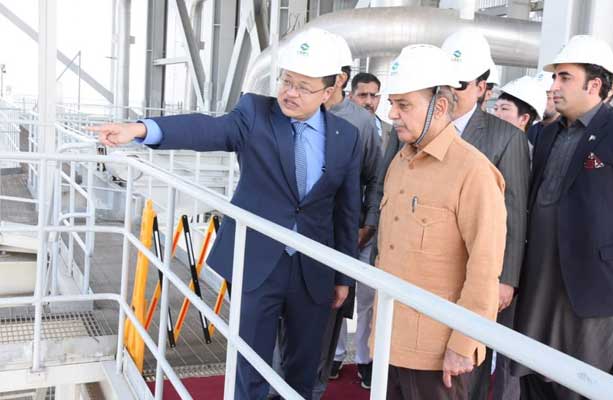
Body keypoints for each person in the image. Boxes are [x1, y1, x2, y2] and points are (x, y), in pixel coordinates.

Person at [90, 27, 362, 400]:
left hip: (312, 272)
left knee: (302, 369)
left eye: (303, 86)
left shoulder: (346, 136)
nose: (289, 92)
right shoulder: (255, 113)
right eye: (286, 80)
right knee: (250, 365)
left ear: (331, 90)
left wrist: (344, 276)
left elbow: (346, 211)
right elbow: (206, 128)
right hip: (257, 264)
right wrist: (141, 129)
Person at [513, 35, 613, 400]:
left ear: (594, 85)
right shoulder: (548, 135)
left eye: (564, 77)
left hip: (594, 291)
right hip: (542, 283)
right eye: (555, 78)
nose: (554, 87)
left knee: (587, 384)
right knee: (536, 376)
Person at [371, 43, 507, 400]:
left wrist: (464, 343)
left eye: (404, 105)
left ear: (440, 106)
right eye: (392, 104)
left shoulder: (473, 172)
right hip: (390, 337)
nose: (393, 114)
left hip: (437, 352)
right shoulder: (400, 161)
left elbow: (485, 267)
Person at [442, 29, 530, 400]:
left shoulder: (505, 137)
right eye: (444, 82)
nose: (450, 91)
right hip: (428, 268)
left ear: (483, 88)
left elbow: (514, 212)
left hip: (477, 271)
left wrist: (505, 279)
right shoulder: (422, 127)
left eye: (460, 84)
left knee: (468, 365)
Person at [313, 34, 382, 396]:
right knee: (321, 301)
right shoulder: (302, 113)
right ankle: (330, 360)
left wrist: (367, 225)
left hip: (354, 231)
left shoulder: (362, 124)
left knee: (355, 298)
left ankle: (360, 359)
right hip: (313, 230)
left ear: (339, 78)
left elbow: (374, 178)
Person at [349, 72, 393, 152]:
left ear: (379, 97)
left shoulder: (394, 133)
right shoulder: (336, 129)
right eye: (362, 95)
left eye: (373, 95)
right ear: (350, 97)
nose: (368, 102)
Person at [527, 71, 559, 146]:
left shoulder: (567, 133)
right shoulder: (531, 131)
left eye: (547, 97)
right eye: (536, 97)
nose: (540, 102)